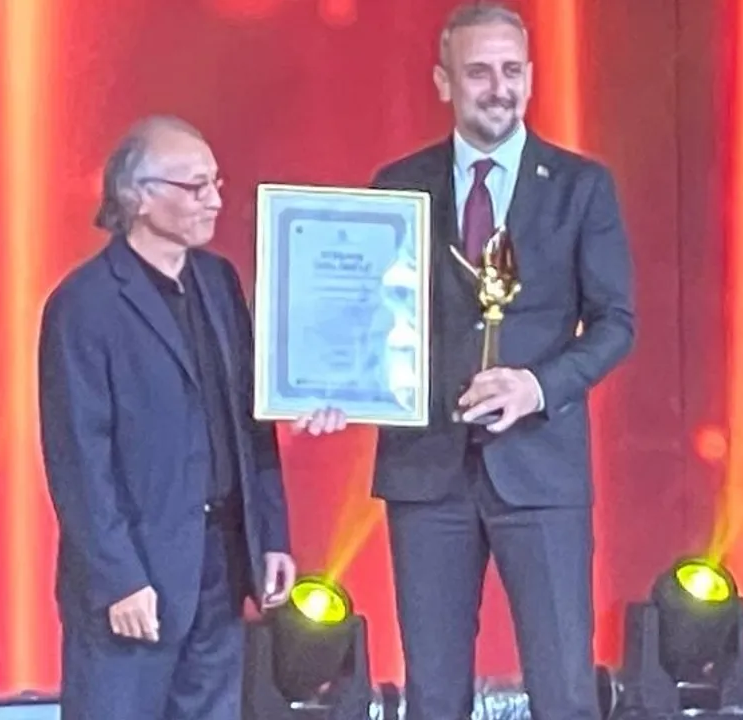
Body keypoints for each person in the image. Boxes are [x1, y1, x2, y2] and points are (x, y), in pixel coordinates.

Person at [365, 4, 635, 719]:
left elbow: (616, 324)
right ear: (444, 82)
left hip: (541, 470)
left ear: (532, 77)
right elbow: (367, 319)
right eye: (479, 72)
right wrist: (337, 384)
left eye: (512, 71)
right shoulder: (397, 185)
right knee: (432, 694)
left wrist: (536, 387)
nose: (499, 88)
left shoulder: (580, 186)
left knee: (565, 692)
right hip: (426, 471)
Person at [38, 116, 344, 720]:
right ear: (138, 196)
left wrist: (271, 536)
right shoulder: (84, 304)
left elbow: (251, 420)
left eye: (216, 183)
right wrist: (119, 578)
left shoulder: (219, 282)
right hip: (137, 575)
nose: (215, 200)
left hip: (221, 565)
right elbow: (78, 460)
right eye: (195, 186)